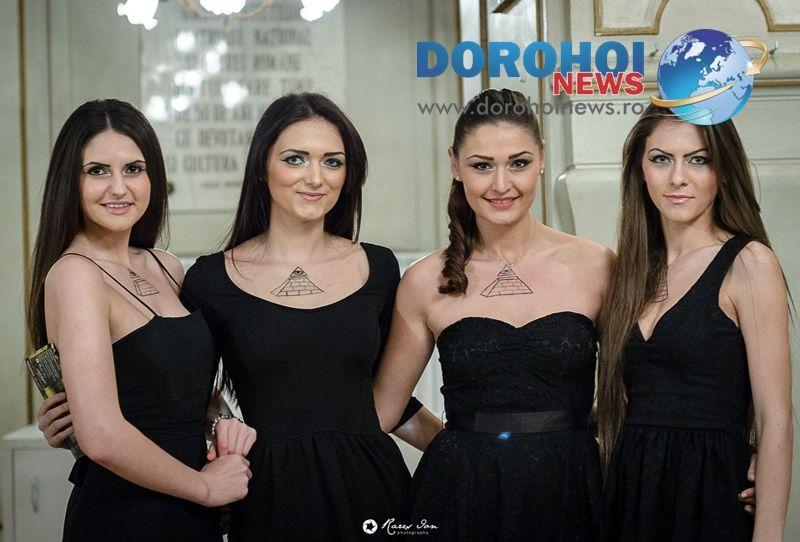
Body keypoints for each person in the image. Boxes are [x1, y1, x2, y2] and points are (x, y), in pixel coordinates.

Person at [179, 92, 442, 541]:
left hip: (374, 491)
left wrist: (463, 452)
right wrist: (220, 434)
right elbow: (190, 399)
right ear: (262, 167)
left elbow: (387, 399)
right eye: (295, 159)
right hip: (270, 496)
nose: (316, 177)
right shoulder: (210, 280)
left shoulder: (379, 268)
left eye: (332, 162)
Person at [373, 88, 610, 540]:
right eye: (482, 166)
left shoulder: (597, 265)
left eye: (518, 163)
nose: (502, 185)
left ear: (542, 158)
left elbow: (640, 388)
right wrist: (457, 445)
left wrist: (569, 432)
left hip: (574, 489)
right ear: (455, 165)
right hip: (462, 494)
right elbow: (385, 408)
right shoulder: (424, 280)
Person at [27, 99, 254, 541]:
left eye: (133, 169)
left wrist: (223, 428)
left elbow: (178, 389)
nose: (119, 188)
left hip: (193, 507)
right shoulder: (74, 274)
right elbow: (100, 436)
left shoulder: (166, 266)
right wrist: (206, 487)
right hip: (127, 513)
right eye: (97, 171)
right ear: (69, 181)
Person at [598, 104, 793, 541]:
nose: (677, 177)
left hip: (709, 495)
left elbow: (775, 416)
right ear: (640, 171)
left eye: (698, 159)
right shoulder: (629, 272)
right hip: (629, 494)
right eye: (661, 159)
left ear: (722, 171)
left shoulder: (749, 263)